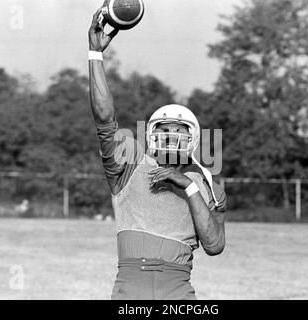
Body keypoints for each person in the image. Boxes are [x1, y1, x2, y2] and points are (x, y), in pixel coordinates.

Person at [88, 8, 227, 300]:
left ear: (193, 137)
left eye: (179, 132)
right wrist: (95, 55)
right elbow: (104, 117)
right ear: (151, 134)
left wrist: (187, 186)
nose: (171, 138)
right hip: (129, 288)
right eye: (164, 131)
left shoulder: (206, 178)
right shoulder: (128, 166)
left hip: (177, 289)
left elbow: (214, 245)